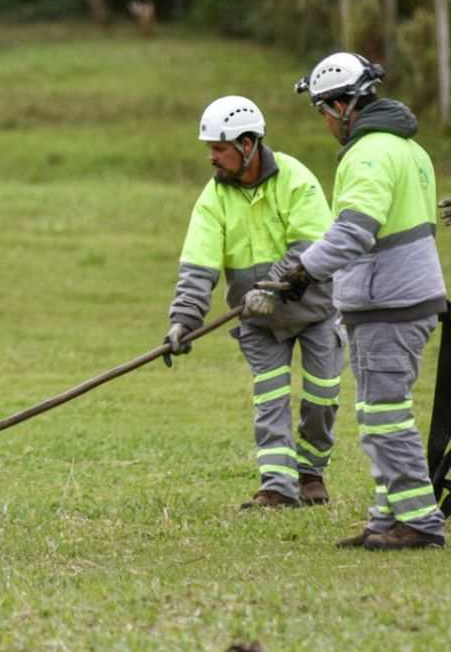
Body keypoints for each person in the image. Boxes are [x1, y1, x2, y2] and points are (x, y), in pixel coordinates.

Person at [270, 51, 446, 550]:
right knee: (377, 415)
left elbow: (353, 232)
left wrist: (303, 269)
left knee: (386, 414)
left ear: (342, 106)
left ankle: (419, 522)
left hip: (390, 301)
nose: (325, 123)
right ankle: (385, 519)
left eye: (323, 111)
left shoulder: (369, 154)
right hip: (397, 299)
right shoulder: (407, 149)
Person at [163, 96, 342, 509]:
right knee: (270, 401)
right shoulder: (214, 197)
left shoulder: (296, 178)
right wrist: (183, 320)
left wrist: (272, 287)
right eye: (208, 147)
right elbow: (199, 264)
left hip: (314, 310)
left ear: (247, 145)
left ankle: (311, 474)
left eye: (219, 148)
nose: (211, 157)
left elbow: (310, 246)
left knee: (321, 399)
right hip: (257, 323)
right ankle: (277, 485)